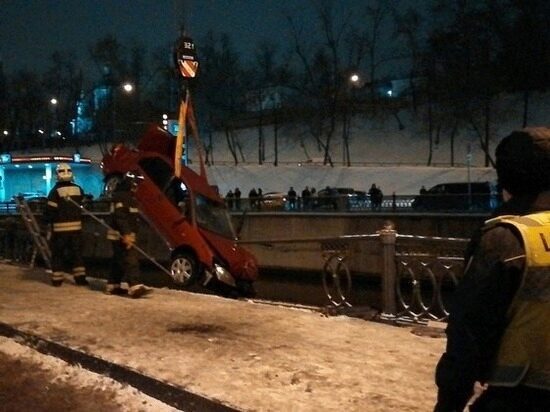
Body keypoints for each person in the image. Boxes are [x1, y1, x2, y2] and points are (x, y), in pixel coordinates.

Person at [434, 127, 550, 411]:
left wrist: (449, 404)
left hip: (519, 397)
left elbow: (468, 339)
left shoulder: (506, 240)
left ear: (507, 181)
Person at [105, 175, 151, 298]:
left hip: (125, 234)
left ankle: (113, 285)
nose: (137, 188)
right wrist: (126, 234)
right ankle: (135, 286)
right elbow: (121, 217)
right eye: (136, 185)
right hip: (120, 235)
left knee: (118, 260)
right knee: (130, 259)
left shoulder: (126, 197)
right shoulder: (122, 198)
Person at [44, 163, 88, 287]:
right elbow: (83, 205)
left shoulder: (54, 191)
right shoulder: (78, 189)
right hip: (76, 229)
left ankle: (57, 279)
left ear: (57, 175)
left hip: (59, 230)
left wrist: (46, 223)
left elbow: (50, 211)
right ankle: (80, 279)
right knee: (77, 254)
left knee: (58, 254)